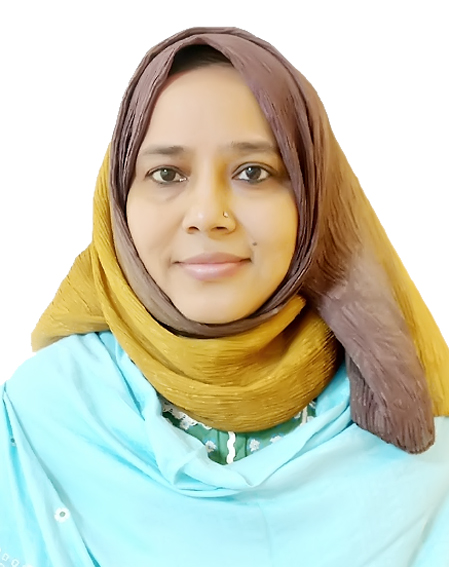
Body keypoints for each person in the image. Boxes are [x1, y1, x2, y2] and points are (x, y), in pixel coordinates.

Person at [1, 26, 448, 567]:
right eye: (166, 173)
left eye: (253, 172)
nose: (208, 214)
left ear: (314, 196)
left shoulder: (399, 413)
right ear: (118, 198)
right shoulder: (38, 421)